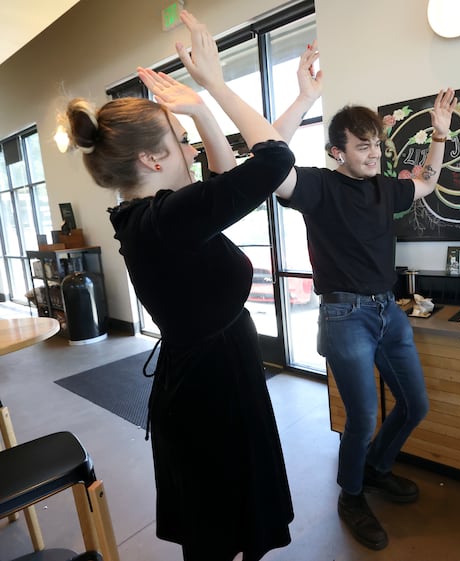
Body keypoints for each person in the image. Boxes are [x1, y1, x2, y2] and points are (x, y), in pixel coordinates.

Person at [59, 10, 316, 561]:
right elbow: (272, 161)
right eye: (181, 141)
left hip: (217, 373)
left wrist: (200, 111)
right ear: (152, 158)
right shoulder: (165, 220)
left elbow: (230, 175)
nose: (194, 149)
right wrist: (215, 86)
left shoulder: (151, 215)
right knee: (218, 527)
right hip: (208, 389)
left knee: (231, 516)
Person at [274, 49, 457, 550]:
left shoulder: (384, 189)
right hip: (343, 315)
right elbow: (270, 165)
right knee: (363, 418)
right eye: (362, 148)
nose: (374, 155)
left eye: (376, 145)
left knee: (414, 405)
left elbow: (428, 181)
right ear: (337, 151)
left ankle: (375, 469)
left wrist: (440, 132)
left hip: (388, 311)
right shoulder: (317, 187)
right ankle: (350, 495)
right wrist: (302, 97)